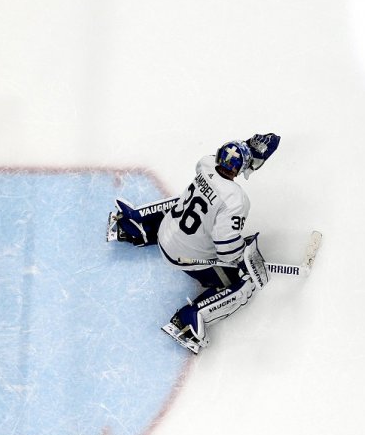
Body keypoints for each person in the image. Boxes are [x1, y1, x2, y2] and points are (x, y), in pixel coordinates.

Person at [109, 133, 280, 352]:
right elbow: (227, 250)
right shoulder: (235, 199)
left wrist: (243, 148)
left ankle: (135, 228)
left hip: (164, 232)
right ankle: (191, 319)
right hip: (187, 258)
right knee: (244, 281)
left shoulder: (205, 163)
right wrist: (243, 256)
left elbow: (221, 160)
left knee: (180, 203)